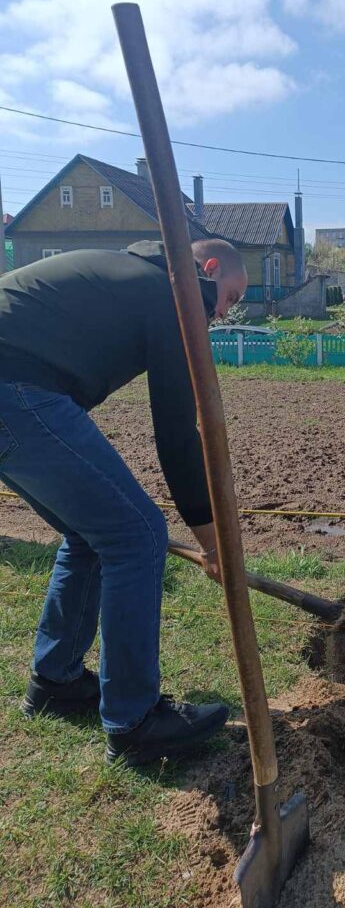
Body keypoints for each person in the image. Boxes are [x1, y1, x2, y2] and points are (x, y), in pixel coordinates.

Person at [0, 238, 247, 765]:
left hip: (14, 386)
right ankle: (135, 721)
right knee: (136, 535)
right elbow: (177, 437)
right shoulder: (174, 294)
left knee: (92, 534)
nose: (225, 313)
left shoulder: (130, 273)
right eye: (230, 297)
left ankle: (56, 682)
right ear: (207, 269)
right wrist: (214, 544)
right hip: (15, 388)